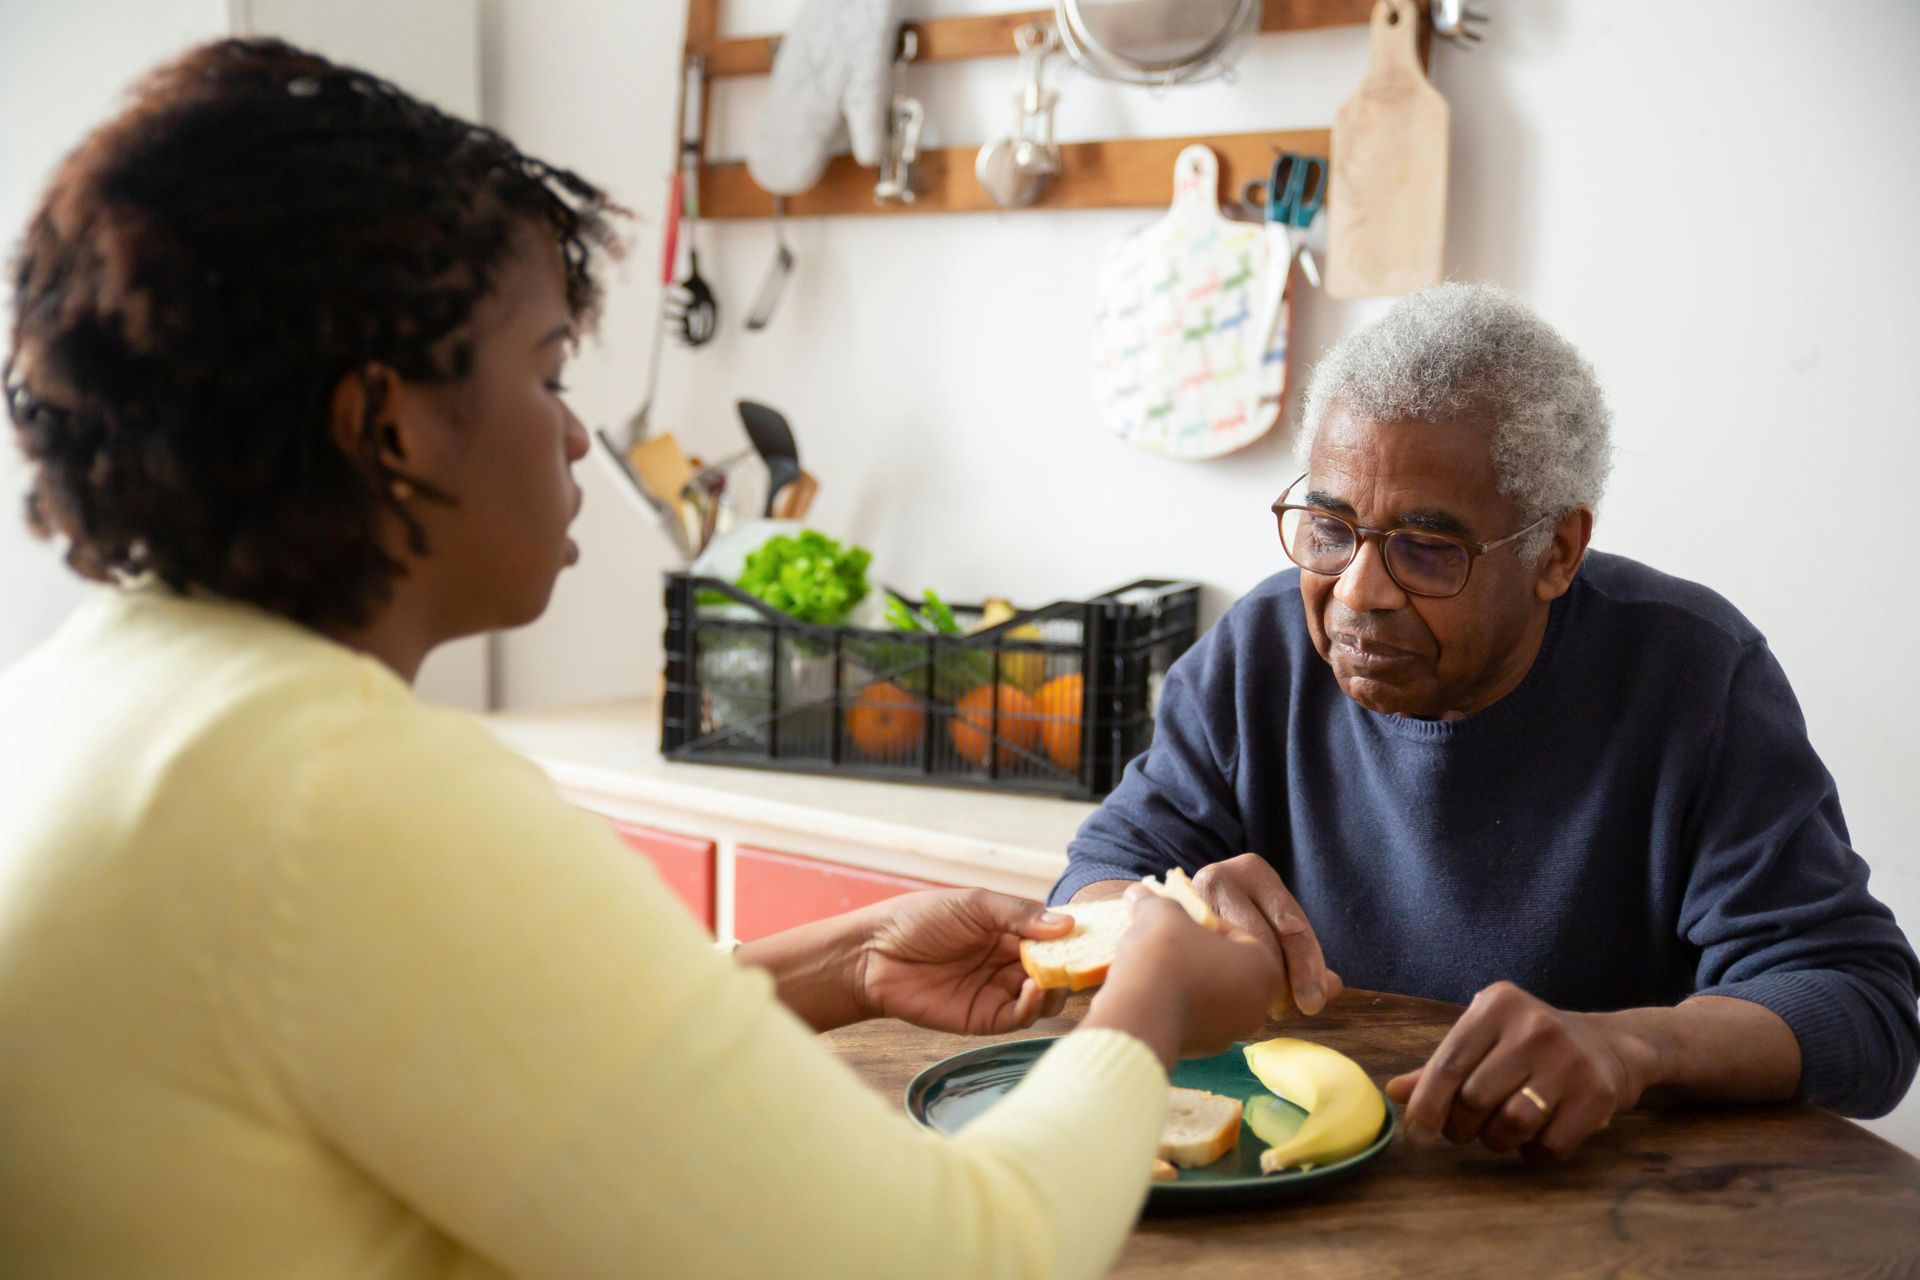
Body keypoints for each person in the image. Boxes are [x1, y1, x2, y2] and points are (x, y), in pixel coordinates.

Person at [0, 40, 1286, 1276]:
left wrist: (845, 961)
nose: (573, 438)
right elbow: (955, 1253)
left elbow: (489, 1051)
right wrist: (1151, 1001)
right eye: (549, 370)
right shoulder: (341, 794)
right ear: (386, 425)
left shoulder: (82, 700)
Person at [1057, 283, 1920, 1163]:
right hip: (1303, 1182)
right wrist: (1151, 917)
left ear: (1558, 553)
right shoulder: (1261, 653)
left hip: (1605, 1205)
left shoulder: (1694, 676)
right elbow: (1093, 880)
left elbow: (1860, 1005)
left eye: (1427, 550)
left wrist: (1633, 1046)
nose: (1358, 591)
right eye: (1330, 527)